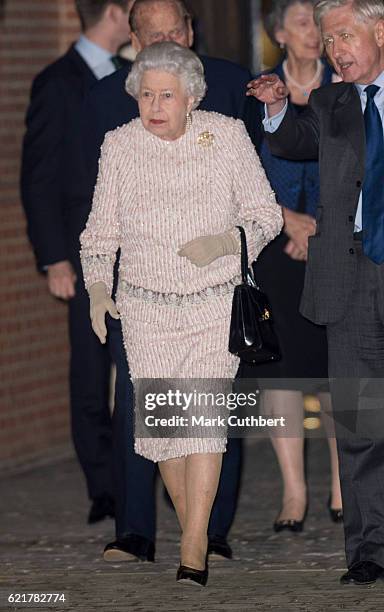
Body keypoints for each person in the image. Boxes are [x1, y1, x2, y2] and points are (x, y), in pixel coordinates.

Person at [80, 41, 282, 586]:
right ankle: (196, 528)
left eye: (167, 95)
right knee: (168, 434)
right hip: (146, 311)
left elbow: (266, 216)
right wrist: (98, 291)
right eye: (146, 95)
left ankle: (193, 547)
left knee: (204, 427)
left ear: (192, 97)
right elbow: (99, 237)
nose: (155, 105)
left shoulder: (226, 135)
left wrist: (225, 242)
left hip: (214, 305)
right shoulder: (119, 146)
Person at [249, 0, 384, 587]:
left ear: (381, 30)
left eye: (345, 35)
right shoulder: (331, 101)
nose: (335, 49)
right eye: (328, 40)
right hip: (349, 279)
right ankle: (368, 552)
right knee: (359, 422)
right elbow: (295, 140)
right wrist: (278, 107)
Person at [20, 0, 133, 524]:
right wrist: (54, 259)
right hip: (84, 254)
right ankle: (104, 489)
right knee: (91, 371)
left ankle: (144, 476)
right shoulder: (57, 82)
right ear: (115, 11)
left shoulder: (137, 77)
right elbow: (38, 178)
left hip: (140, 248)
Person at [246, 0, 342, 533]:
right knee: (281, 371)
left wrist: (319, 229)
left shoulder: (346, 88)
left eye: (321, 25)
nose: (315, 34)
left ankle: (340, 484)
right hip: (272, 248)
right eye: (303, 23)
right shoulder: (255, 93)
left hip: (336, 248)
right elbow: (241, 173)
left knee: (333, 369)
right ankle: (293, 492)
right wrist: (287, 222)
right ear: (278, 31)